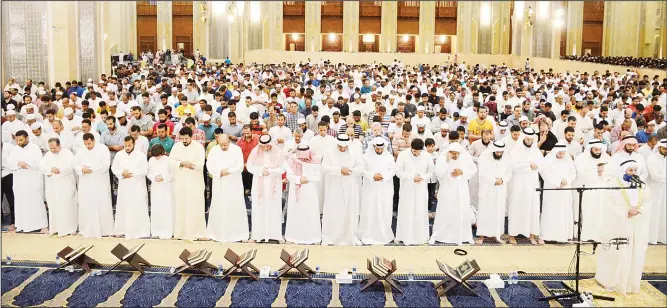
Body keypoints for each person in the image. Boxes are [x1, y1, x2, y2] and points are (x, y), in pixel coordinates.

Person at [596, 159, 653, 294]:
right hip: (618, 224)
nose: (633, 173)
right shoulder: (613, 184)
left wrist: (639, 210)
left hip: (636, 224)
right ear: (623, 171)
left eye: (635, 170)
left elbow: (648, 201)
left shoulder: (643, 185)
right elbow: (609, 204)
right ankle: (610, 282)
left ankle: (631, 284)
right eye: (630, 170)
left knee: (635, 253)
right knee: (616, 252)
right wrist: (625, 211)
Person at [321, 134, 364, 245]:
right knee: (335, 211)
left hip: (351, 186)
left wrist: (349, 171)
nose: (342, 149)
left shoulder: (355, 151)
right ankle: (332, 236)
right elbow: (324, 168)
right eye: (340, 147)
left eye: (345, 147)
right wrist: (339, 170)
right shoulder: (329, 151)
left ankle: (349, 235)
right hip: (334, 187)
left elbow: (361, 167)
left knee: (350, 211)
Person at [430, 142, 476, 245]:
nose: (455, 156)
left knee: (462, 212)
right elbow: (438, 174)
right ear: (449, 152)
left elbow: (473, 170)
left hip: (461, 191)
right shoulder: (442, 158)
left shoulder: (466, 157)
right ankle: (439, 235)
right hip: (447, 190)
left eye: (456, 154)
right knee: (445, 212)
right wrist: (446, 162)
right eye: (453, 153)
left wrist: (462, 171)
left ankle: (466, 236)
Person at [206, 134, 249, 242]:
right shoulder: (214, 150)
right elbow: (209, 165)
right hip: (219, 182)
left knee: (234, 206)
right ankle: (216, 234)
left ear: (229, 142)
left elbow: (239, 166)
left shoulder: (236, 149)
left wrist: (228, 171)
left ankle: (238, 234)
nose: (223, 147)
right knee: (219, 206)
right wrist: (219, 172)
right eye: (221, 145)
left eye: (225, 145)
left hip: (233, 183)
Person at [507, 128, 545, 245]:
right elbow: (512, 167)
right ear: (523, 138)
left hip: (532, 183)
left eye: (531, 139)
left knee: (533, 209)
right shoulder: (516, 149)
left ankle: (531, 235)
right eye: (527, 139)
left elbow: (541, 164)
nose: (529, 141)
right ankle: (512, 235)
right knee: (517, 207)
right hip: (519, 184)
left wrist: (534, 165)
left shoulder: (535, 150)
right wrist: (528, 165)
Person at [169, 127, 207, 241]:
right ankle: (181, 232)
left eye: (186, 138)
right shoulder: (177, 146)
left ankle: (197, 232)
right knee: (181, 205)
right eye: (182, 138)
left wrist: (189, 165)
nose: (184, 141)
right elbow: (171, 161)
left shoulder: (198, 147)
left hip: (194, 181)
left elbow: (200, 164)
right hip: (180, 181)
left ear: (191, 137)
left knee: (195, 205)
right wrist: (182, 163)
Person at [246, 134, 286, 243]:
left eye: (267, 146)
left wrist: (271, 171)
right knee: (259, 207)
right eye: (262, 146)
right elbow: (249, 166)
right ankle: (257, 235)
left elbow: (283, 168)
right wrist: (260, 171)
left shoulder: (278, 152)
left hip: (273, 184)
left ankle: (276, 235)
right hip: (259, 184)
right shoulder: (255, 152)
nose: (265, 148)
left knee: (274, 207)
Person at [394, 139, 434, 245]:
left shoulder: (427, 156)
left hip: (421, 187)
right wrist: (411, 177)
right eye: (414, 151)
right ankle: (403, 236)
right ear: (411, 148)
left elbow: (431, 171)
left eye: (419, 151)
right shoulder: (403, 155)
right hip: (407, 188)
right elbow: (398, 171)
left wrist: (423, 177)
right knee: (406, 210)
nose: (417, 153)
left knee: (420, 210)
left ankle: (421, 236)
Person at [74, 133, 114, 238]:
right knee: (87, 204)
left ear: (94, 140)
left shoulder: (103, 149)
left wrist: (91, 169)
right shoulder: (81, 151)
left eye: (89, 143)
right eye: (85, 144)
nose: (87, 146)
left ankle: (105, 230)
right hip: (85, 183)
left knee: (101, 204)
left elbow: (105, 165)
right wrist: (82, 169)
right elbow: (76, 164)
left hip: (99, 182)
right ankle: (87, 229)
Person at [7, 130, 47, 233]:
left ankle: (41, 225)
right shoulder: (15, 149)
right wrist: (18, 164)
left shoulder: (35, 148)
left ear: (27, 138)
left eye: (21, 140)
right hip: (19, 181)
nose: (18, 142)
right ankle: (22, 225)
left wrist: (27, 164)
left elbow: (39, 164)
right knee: (21, 203)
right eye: (17, 140)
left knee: (35, 203)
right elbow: (9, 163)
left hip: (32, 180)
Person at [358, 137, 396, 245]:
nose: (379, 151)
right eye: (377, 149)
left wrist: (383, 176)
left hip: (385, 188)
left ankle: (384, 234)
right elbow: (362, 170)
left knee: (384, 209)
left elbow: (393, 170)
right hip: (370, 188)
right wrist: (372, 176)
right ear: (373, 147)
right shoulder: (366, 157)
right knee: (370, 209)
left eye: (381, 149)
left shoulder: (389, 157)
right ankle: (368, 234)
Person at [111, 136, 150, 239]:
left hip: (137, 185)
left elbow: (145, 170)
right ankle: (122, 230)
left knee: (137, 206)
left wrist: (132, 174)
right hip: (124, 185)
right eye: (125, 145)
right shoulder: (119, 155)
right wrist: (122, 173)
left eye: (129, 145)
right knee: (124, 206)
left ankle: (139, 231)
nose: (127, 147)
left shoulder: (141, 155)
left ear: (134, 144)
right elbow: (114, 168)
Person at [573, 139, 612, 241]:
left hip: (602, 190)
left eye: (599, 149)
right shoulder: (581, 158)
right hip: (588, 190)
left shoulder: (606, 157)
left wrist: (601, 173)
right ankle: (587, 237)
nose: (598, 151)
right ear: (590, 149)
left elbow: (611, 173)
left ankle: (600, 236)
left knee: (601, 214)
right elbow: (581, 174)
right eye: (596, 149)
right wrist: (596, 171)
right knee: (588, 214)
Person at [284, 144, 322, 244]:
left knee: (310, 213)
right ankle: (293, 237)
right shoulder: (292, 159)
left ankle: (312, 237)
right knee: (296, 212)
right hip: (296, 190)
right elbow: (289, 175)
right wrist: (299, 179)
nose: (302, 159)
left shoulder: (315, 160)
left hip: (310, 189)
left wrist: (307, 179)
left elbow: (318, 176)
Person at [475, 141, 512, 244]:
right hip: (488, 189)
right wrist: (494, 180)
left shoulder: (507, 158)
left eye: (501, 152)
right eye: (497, 152)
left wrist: (503, 179)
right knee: (485, 211)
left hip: (500, 188)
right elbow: (481, 174)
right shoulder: (484, 157)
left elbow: (509, 173)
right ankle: (481, 236)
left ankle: (497, 235)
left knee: (498, 212)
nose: (499, 154)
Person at [40, 138, 77, 236]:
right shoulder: (48, 155)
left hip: (65, 184)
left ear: (59, 145)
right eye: (51, 148)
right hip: (52, 185)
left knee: (67, 206)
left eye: (54, 148)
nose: (53, 150)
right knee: (54, 206)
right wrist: (50, 169)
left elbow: (71, 166)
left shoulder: (68, 153)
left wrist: (59, 170)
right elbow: (42, 167)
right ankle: (55, 228)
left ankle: (70, 228)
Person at [539, 143, 576, 243]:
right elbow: (545, 173)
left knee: (564, 212)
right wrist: (557, 182)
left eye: (563, 153)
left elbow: (573, 173)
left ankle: (563, 237)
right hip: (552, 191)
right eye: (560, 153)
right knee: (550, 212)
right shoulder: (548, 160)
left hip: (565, 191)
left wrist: (566, 180)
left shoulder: (568, 161)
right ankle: (546, 236)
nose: (562, 155)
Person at [147, 144, 174, 239]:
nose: (157, 158)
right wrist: (154, 177)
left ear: (162, 153)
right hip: (155, 187)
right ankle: (156, 231)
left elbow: (173, 174)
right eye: (155, 156)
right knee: (156, 208)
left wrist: (164, 178)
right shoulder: (151, 160)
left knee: (166, 208)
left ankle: (167, 231)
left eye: (158, 156)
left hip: (166, 187)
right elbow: (149, 173)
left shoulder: (168, 160)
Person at [646, 138, 666, 244]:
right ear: (659, 147)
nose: (666, 150)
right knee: (655, 213)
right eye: (664, 148)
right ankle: (652, 238)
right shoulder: (652, 158)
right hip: (656, 190)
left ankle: (663, 237)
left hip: (665, 190)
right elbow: (655, 176)